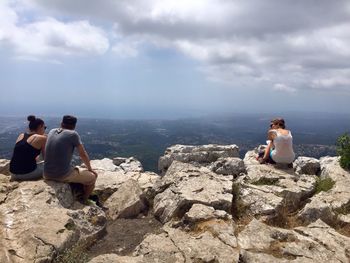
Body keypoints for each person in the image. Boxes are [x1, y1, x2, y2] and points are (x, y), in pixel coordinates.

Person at [44, 115, 97, 203]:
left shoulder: (52, 131)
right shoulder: (73, 134)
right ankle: (84, 200)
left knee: (76, 169)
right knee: (93, 177)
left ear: (61, 123)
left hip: (46, 173)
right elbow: (82, 154)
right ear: (74, 126)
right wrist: (90, 169)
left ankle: (77, 192)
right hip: (61, 175)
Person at [9, 115, 47, 181]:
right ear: (40, 126)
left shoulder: (21, 135)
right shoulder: (42, 138)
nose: (45, 130)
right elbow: (46, 158)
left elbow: (22, 153)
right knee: (54, 166)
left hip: (12, 172)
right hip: (27, 174)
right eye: (45, 127)